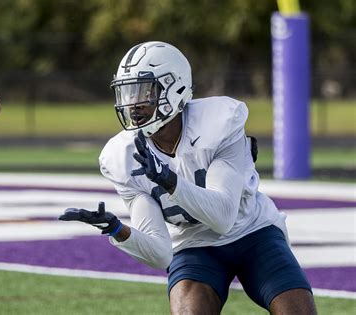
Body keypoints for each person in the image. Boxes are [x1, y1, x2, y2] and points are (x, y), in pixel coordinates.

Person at [59, 41, 316, 314]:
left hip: (252, 231)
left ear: (175, 87)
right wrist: (117, 230)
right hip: (193, 244)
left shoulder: (219, 124)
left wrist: (171, 181)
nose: (133, 104)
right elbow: (160, 252)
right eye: (127, 92)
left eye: (143, 91)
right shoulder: (122, 155)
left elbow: (223, 217)